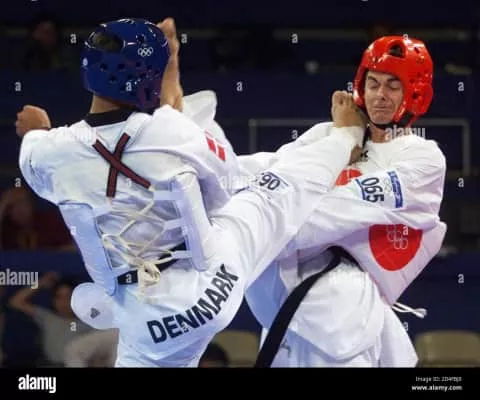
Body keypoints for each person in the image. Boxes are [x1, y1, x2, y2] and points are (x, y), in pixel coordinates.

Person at [14, 18, 364, 367]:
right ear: (147, 79)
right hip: (209, 289)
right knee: (269, 193)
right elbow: (225, 187)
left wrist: (36, 130)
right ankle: (345, 138)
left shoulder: (45, 153)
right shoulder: (172, 132)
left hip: (142, 319)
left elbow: (41, 148)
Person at [238, 36, 446, 367]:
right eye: (373, 83)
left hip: (346, 309)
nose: (380, 95)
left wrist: (262, 225)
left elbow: (337, 211)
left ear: (415, 93)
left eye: (393, 86)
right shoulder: (328, 134)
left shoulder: (422, 158)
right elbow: (269, 171)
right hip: (283, 304)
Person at [8, 271, 92, 366]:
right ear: (53, 300)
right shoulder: (47, 317)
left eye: (68, 297)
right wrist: (40, 283)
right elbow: (15, 302)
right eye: (59, 297)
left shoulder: (89, 324)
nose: (63, 302)